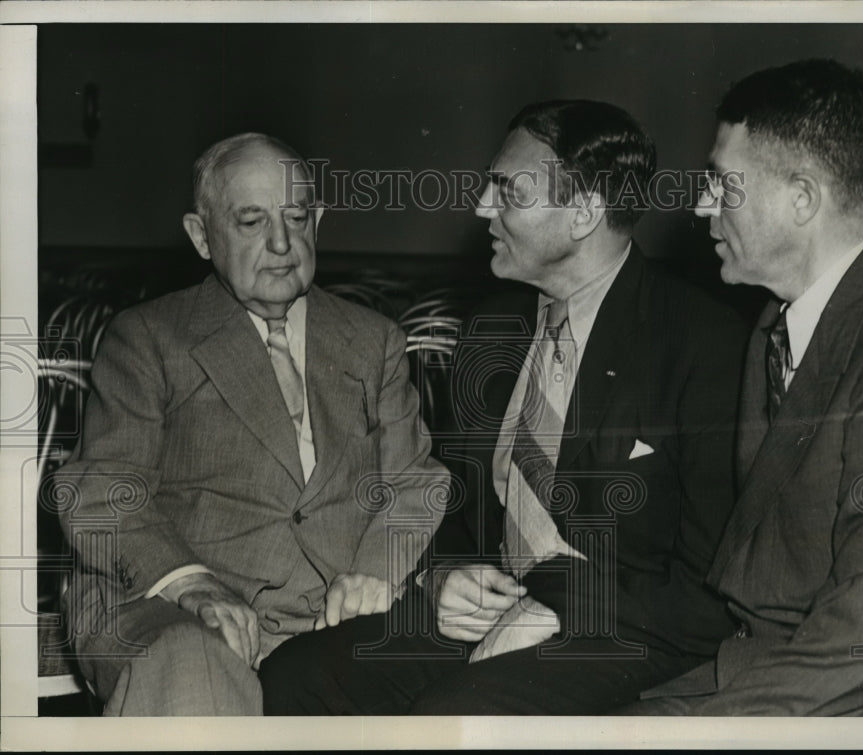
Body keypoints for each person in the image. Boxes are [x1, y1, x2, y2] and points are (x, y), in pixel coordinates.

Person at [260, 100, 749, 714]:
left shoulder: (707, 345)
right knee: (299, 674)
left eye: (506, 190)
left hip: (629, 632)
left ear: (584, 211)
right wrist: (445, 579)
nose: (481, 207)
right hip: (501, 606)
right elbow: (464, 517)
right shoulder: (493, 329)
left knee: (453, 717)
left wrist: (562, 611)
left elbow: (714, 592)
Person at [54, 133, 448, 715]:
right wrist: (195, 585)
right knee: (196, 669)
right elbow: (100, 494)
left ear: (318, 219)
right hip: (172, 609)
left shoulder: (374, 340)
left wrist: (374, 571)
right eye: (251, 222)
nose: (283, 243)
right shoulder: (148, 337)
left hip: (330, 622)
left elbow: (415, 480)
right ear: (201, 236)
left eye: (296, 216)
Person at [621, 59, 863, 715]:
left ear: (802, 198)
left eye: (722, 184)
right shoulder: (773, 323)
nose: (701, 206)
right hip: (780, 665)